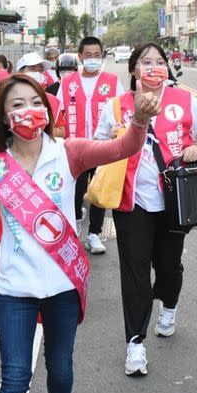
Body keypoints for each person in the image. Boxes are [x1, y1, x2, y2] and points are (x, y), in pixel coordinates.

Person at [0, 74, 161, 393]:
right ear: (3, 116)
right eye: (17, 105)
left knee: (60, 369)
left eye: (35, 103)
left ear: (46, 109)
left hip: (63, 284)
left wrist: (140, 119)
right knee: (15, 377)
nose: (28, 110)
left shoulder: (68, 152)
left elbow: (123, 147)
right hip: (15, 287)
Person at [93, 42, 197, 377]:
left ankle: (170, 305)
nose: (153, 68)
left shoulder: (184, 100)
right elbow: (98, 143)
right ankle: (135, 343)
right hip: (131, 199)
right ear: (133, 69)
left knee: (169, 265)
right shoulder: (117, 106)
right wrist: (120, 139)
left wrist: (193, 147)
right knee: (134, 271)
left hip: (175, 199)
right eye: (146, 62)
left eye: (159, 62)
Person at [57, 36, 124, 255]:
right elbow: (58, 114)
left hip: (102, 145)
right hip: (74, 146)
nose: (93, 59)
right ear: (80, 57)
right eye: (88, 56)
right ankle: (74, 227)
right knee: (74, 189)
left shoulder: (112, 81)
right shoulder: (68, 83)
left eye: (97, 55)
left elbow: (124, 110)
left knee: (99, 188)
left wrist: (119, 128)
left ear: (102, 55)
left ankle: (94, 234)